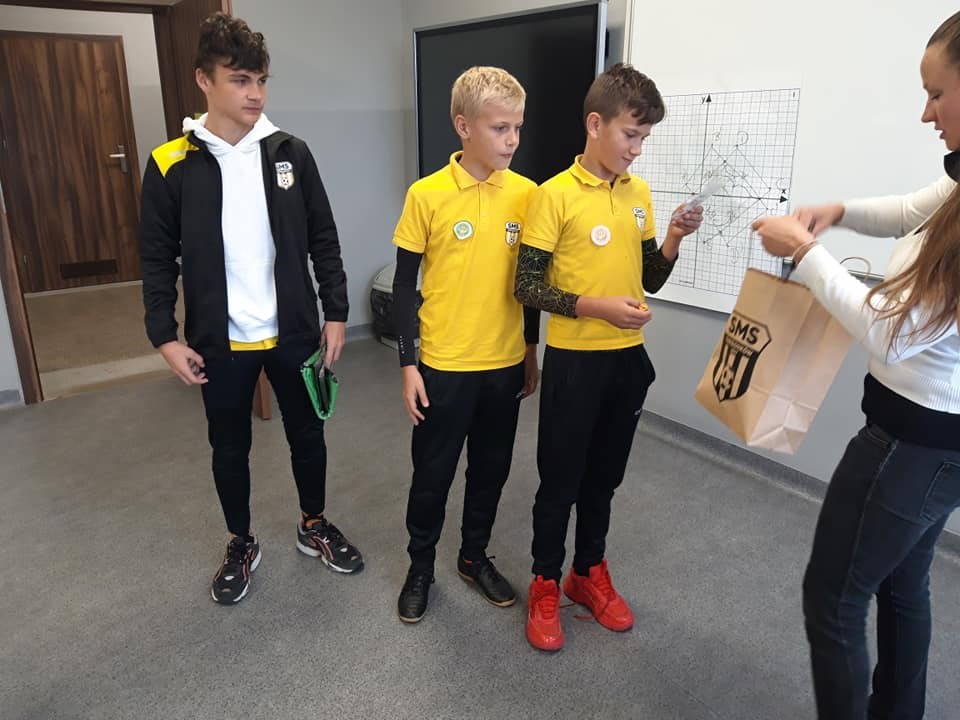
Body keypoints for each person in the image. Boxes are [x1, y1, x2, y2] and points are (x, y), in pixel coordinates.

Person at [751, 12, 960, 716]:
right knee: (902, 585)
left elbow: (891, 336)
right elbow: (907, 211)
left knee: (833, 598)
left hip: (911, 445)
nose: (926, 113)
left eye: (937, 94)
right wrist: (835, 211)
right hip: (939, 442)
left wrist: (806, 252)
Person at [139, 12, 362, 605]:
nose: (255, 93)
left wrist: (335, 312)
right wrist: (165, 336)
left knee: (308, 435)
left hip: (293, 331)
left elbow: (324, 238)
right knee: (229, 446)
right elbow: (156, 259)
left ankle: (313, 523)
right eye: (240, 80)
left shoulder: (290, 153)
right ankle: (241, 540)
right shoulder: (170, 164)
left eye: (261, 80)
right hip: (219, 340)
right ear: (204, 80)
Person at [515, 63, 702, 651]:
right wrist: (595, 307)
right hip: (575, 364)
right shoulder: (553, 196)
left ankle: (587, 573)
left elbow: (650, 278)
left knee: (604, 480)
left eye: (644, 138)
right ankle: (545, 582)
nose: (637, 149)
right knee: (560, 482)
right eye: (630, 135)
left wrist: (673, 238)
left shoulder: (638, 194)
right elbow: (527, 286)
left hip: (626, 362)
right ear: (595, 125)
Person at [391, 66, 540, 623]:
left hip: (504, 362)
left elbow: (529, 283)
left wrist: (530, 349)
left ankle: (473, 556)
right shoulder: (426, 194)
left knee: (490, 470)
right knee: (432, 476)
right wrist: (408, 364)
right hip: (444, 365)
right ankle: (420, 566)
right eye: (500, 128)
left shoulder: (527, 195)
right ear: (463, 126)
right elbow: (403, 285)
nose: (512, 140)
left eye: (517, 127)